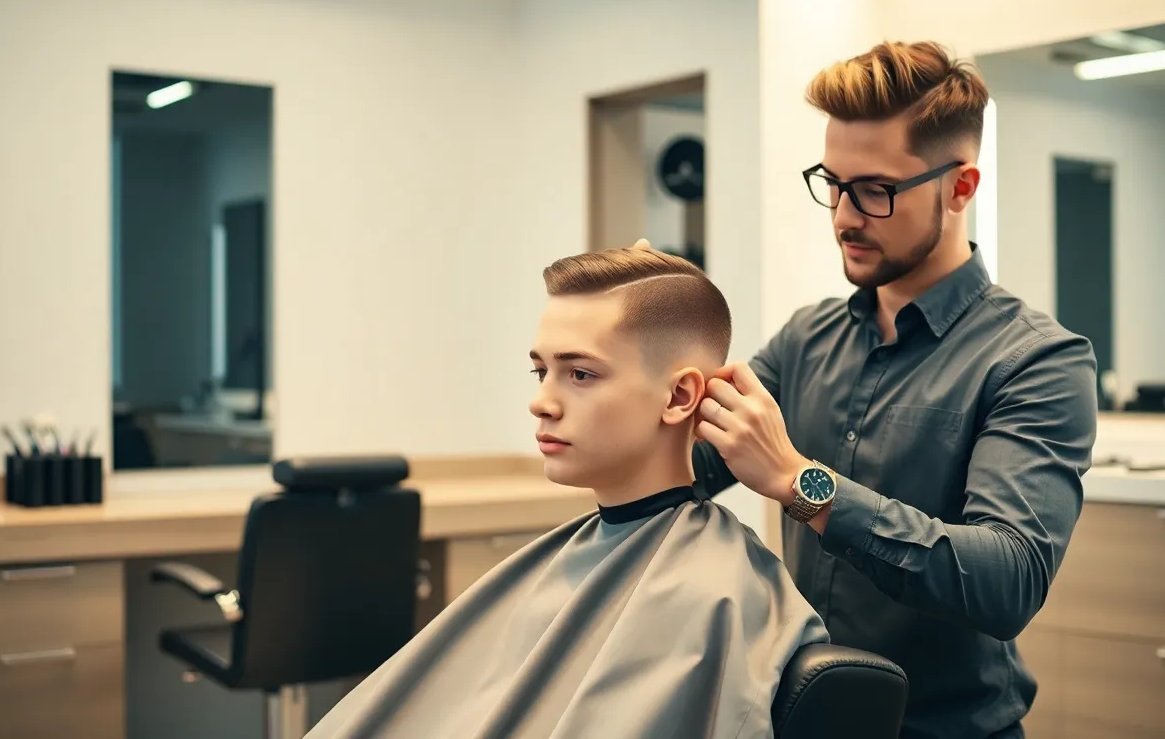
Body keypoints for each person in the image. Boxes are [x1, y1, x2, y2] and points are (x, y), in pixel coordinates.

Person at [667, 41, 1098, 739]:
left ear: (960, 187)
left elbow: (1007, 579)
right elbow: (688, 470)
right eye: (832, 183)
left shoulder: (1036, 360)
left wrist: (801, 483)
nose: (842, 215)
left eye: (875, 190)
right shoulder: (805, 340)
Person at [307, 248, 828, 739]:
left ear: (679, 396)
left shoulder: (707, 592)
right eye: (541, 371)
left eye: (580, 373)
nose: (542, 402)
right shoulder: (584, 551)